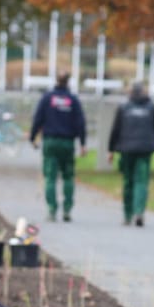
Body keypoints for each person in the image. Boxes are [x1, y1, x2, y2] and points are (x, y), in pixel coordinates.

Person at [106, 82, 154, 227]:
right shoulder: (151, 108)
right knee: (141, 182)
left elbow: (115, 130)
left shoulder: (124, 107)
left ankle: (127, 214)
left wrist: (111, 150)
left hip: (126, 149)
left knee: (128, 182)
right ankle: (139, 212)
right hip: (145, 150)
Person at [28, 74, 87, 222]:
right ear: (68, 82)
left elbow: (37, 118)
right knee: (68, 176)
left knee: (50, 177)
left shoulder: (47, 98)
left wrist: (32, 137)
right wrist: (83, 143)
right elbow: (80, 123)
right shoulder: (73, 100)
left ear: (56, 81)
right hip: (67, 143)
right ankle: (67, 209)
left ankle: (52, 210)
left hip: (50, 141)